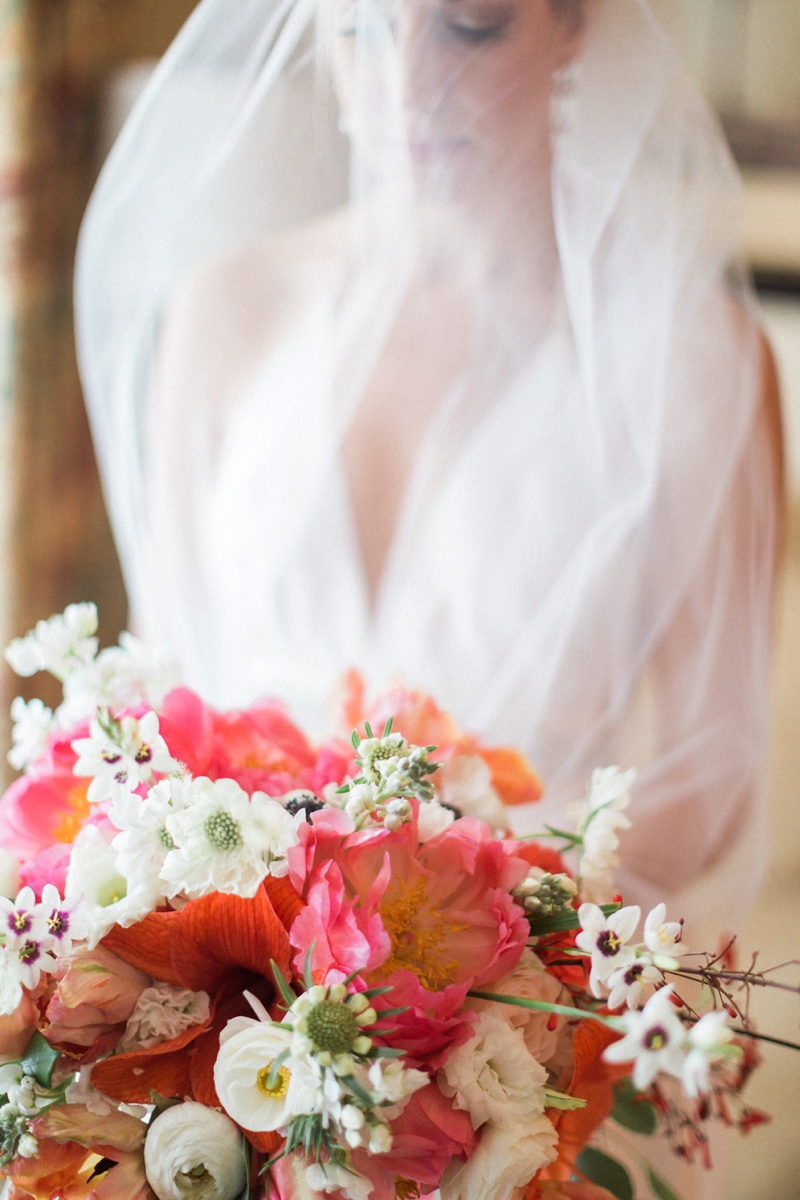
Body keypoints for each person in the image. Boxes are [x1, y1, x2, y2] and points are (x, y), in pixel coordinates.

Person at [75, 1, 781, 1190]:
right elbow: (168, 713)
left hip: (509, 1062)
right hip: (218, 1042)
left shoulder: (691, 360)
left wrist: (462, 989)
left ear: (572, 26)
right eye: (357, 28)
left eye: (465, 26)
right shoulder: (222, 314)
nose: (403, 83)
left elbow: (707, 786)